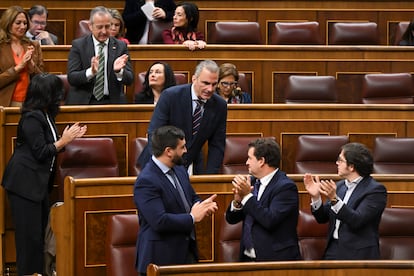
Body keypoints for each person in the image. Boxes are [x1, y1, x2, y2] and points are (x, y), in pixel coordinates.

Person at [1, 73, 87, 276]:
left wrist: (65, 140)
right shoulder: (31, 117)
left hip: (37, 185)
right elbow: (40, 151)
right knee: (28, 239)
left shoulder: (46, 114)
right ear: (46, 94)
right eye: (57, 91)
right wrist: (64, 141)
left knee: (38, 237)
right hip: (24, 184)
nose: (61, 94)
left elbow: (50, 146)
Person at [134, 125, 218, 275]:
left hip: (186, 252)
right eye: (182, 147)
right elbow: (159, 221)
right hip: (160, 258)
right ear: (168, 151)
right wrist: (192, 217)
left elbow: (191, 197)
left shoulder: (179, 169)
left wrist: (202, 206)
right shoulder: (146, 181)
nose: (186, 151)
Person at [137, 60, 227, 174]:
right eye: (205, 83)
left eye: (214, 84)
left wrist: (210, 179)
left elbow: (217, 146)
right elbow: (154, 133)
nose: (210, 89)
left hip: (190, 164)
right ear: (194, 79)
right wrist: (163, 168)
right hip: (158, 163)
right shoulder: (170, 96)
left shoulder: (219, 105)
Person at [303, 142, 387, 260]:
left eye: (340, 160)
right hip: (333, 250)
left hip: (358, 255)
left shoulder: (375, 191)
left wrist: (334, 199)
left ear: (351, 166)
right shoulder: (340, 186)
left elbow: (357, 220)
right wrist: (316, 197)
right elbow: (322, 218)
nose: (337, 163)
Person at [225, 138, 301, 262]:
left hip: (274, 261)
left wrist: (247, 197)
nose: (246, 162)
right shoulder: (252, 182)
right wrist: (238, 202)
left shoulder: (286, 187)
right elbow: (231, 219)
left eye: (250, 158)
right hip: (247, 259)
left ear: (261, 161)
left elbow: (270, 219)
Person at [66, 6, 134, 105]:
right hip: (84, 102)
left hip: (112, 102)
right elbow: (72, 78)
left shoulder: (120, 46)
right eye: (99, 27)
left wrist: (119, 71)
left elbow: (129, 80)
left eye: (107, 26)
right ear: (90, 26)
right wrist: (91, 72)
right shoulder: (79, 46)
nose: (104, 31)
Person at [0, 5, 44, 107]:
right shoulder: (1, 47)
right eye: (18, 23)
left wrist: (31, 65)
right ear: (8, 23)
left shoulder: (34, 46)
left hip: (30, 103)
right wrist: (19, 67)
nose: (23, 27)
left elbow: (42, 79)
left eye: (25, 23)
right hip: (5, 102)